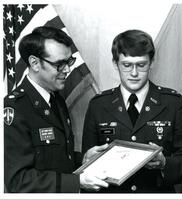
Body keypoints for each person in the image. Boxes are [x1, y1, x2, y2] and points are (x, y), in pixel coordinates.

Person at [81, 29, 182, 193]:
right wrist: (87, 161)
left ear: (151, 62)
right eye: (127, 65)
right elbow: (87, 162)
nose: (134, 73)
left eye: (141, 65)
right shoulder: (99, 105)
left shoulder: (172, 103)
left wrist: (165, 163)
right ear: (115, 63)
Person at [4, 26, 108, 193]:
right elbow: (18, 181)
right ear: (34, 63)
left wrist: (82, 160)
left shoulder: (56, 100)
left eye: (69, 61)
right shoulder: (14, 109)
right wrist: (76, 182)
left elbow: (56, 159)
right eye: (60, 64)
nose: (67, 70)